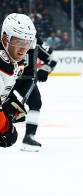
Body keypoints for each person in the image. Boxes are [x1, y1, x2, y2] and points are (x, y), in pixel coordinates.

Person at [13, 36, 57, 151]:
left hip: (26, 80)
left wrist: (45, 69)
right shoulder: (4, 38)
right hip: (5, 77)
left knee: (36, 103)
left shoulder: (35, 40)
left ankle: (29, 137)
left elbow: (52, 57)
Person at [0, 13, 36, 149]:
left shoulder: (12, 60)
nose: (23, 49)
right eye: (18, 42)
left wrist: (8, 102)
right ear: (5, 38)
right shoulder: (3, 66)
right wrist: (6, 128)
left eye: (27, 43)